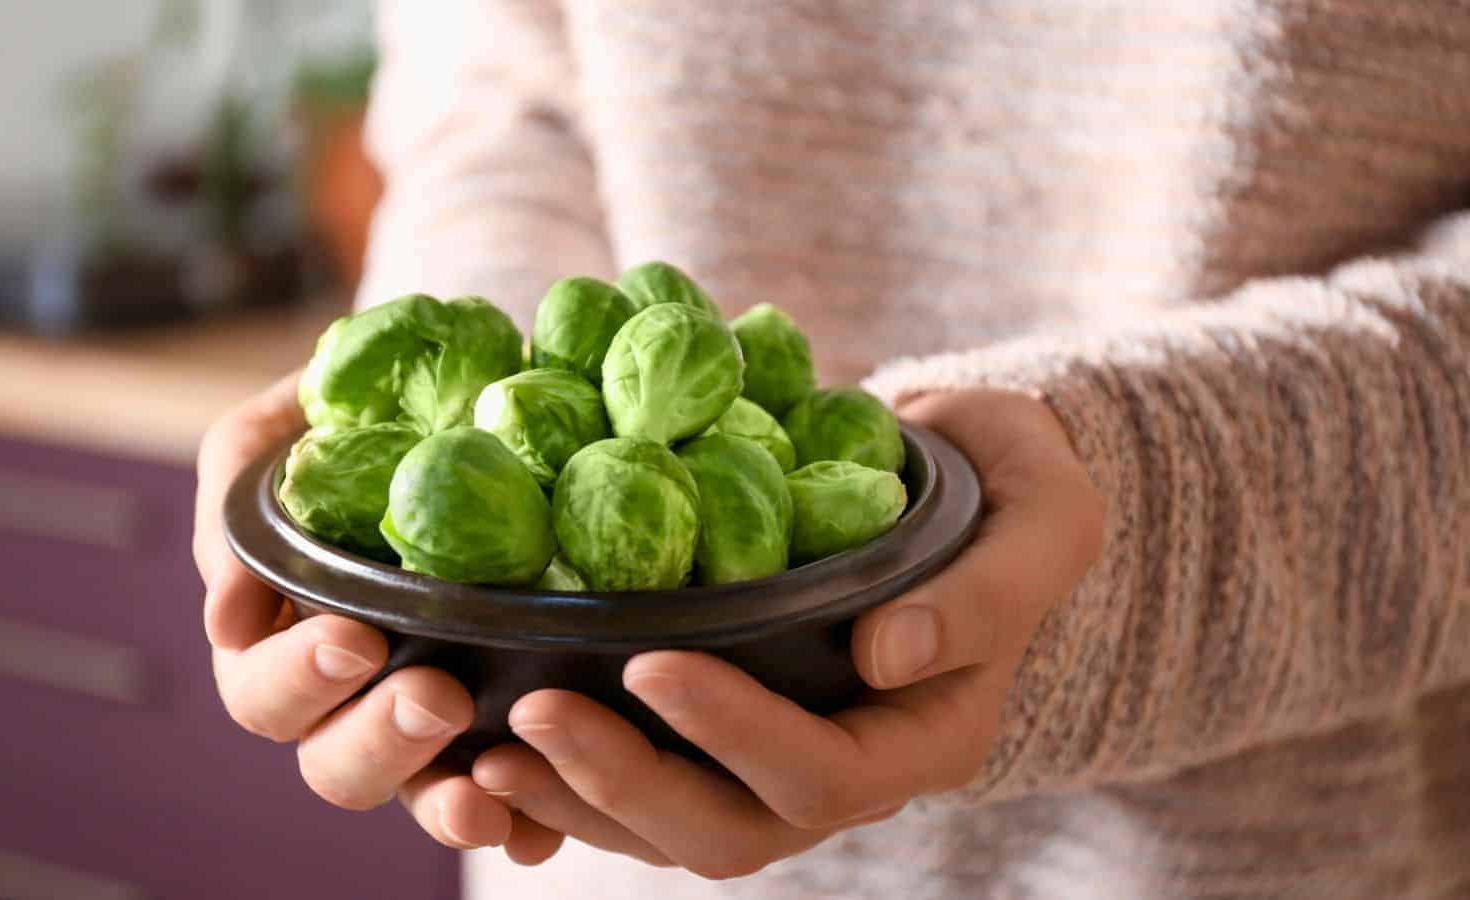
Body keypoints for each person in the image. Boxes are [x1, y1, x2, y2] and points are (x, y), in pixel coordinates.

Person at [191, 2, 1470, 897]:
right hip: (580, 838)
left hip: (1278, 856)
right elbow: (504, 103)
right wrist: (457, 555)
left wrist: (1128, 520)